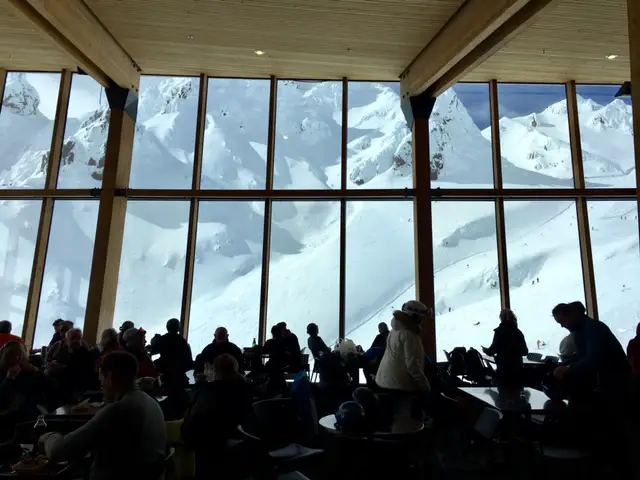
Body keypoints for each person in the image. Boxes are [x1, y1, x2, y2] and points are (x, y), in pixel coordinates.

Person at [40, 351, 167, 480]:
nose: (101, 386)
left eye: (101, 379)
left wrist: (48, 436)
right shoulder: (151, 403)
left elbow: (59, 452)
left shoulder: (118, 410)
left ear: (110, 377)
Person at [181, 354, 252, 479]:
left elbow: (192, 416)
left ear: (215, 370)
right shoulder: (244, 388)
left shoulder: (207, 390)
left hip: (204, 443)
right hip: (233, 440)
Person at [0, 342, 56, 441]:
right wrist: (9, 379)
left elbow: (53, 387)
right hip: (8, 414)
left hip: (28, 414)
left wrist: (37, 371)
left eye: (19, 356)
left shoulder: (30, 371)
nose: (17, 360)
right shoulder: (3, 373)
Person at [375, 301, 431, 394]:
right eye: (422, 317)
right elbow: (412, 365)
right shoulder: (410, 335)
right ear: (415, 317)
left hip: (384, 380)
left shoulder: (395, 329)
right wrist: (425, 387)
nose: (422, 321)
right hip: (399, 386)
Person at [46, 328, 98, 398]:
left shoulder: (86, 355)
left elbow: (78, 375)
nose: (76, 341)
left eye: (78, 338)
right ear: (66, 341)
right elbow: (48, 359)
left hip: (76, 388)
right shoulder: (62, 351)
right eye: (73, 338)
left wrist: (61, 368)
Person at [482, 309, 528, 387]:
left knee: (504, 393)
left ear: (501, 318)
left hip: (503, 369)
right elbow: (525, 352)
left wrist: (486, 350)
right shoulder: (518, 332)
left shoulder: (499, 332)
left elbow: (492, 350)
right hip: (517, 369)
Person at [150, 318, 193, 386]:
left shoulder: (162, 339)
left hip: (164, 377)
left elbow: (152, 350)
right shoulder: (183, 342)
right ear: (178, 328)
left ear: (167, 327)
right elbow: (189, 363)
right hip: (180, 377)